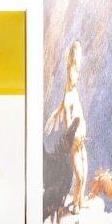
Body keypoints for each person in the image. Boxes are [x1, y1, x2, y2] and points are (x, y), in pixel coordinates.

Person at [45, 41, 89, 212]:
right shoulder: (68, 97)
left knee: (84, 174)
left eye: (78, 71)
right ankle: (76, 205)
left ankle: (80, 200)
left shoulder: (74, 93)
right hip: (75, 145)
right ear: (68, 69)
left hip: (81, 143)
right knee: (79, 175)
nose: (76, 75)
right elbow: (69, 125)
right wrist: (76, 138)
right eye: (73, 70)